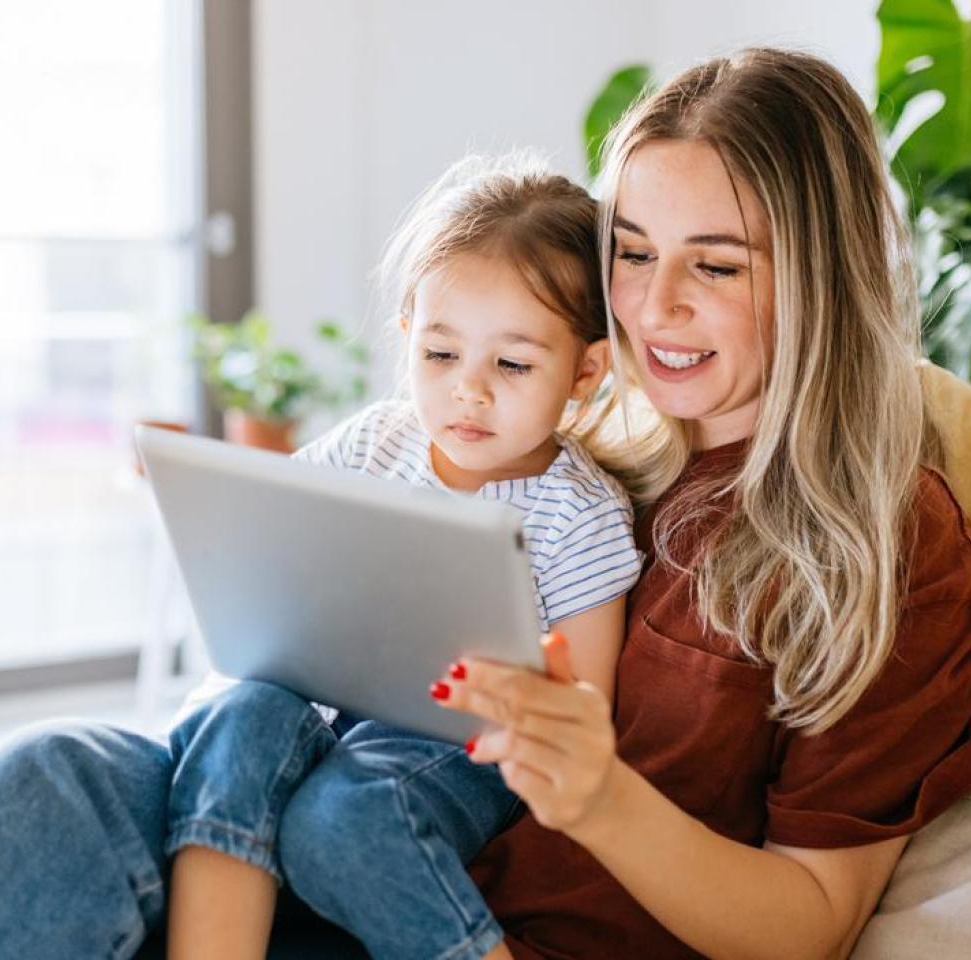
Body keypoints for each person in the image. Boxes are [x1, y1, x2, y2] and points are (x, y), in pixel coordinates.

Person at [0, 47, 971, 960]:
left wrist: (598, 794)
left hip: (444, 901)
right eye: (631, 252)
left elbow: (809, 920)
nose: (650, 309)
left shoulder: (892, 549)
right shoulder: (585, 424)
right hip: (310, 804)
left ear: (822, 275)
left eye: (715, 266)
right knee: (44, 773)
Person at [162, 154, 640, 960]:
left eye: (513, 364)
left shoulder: (579, 514)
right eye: (440, 355)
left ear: (585, 371)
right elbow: (276, 549)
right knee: (237, 718)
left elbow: (585, 708)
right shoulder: (374, 441)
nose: (470, 391)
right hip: (325, 704)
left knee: (347, 813)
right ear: (407, 338)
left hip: (458, 749)